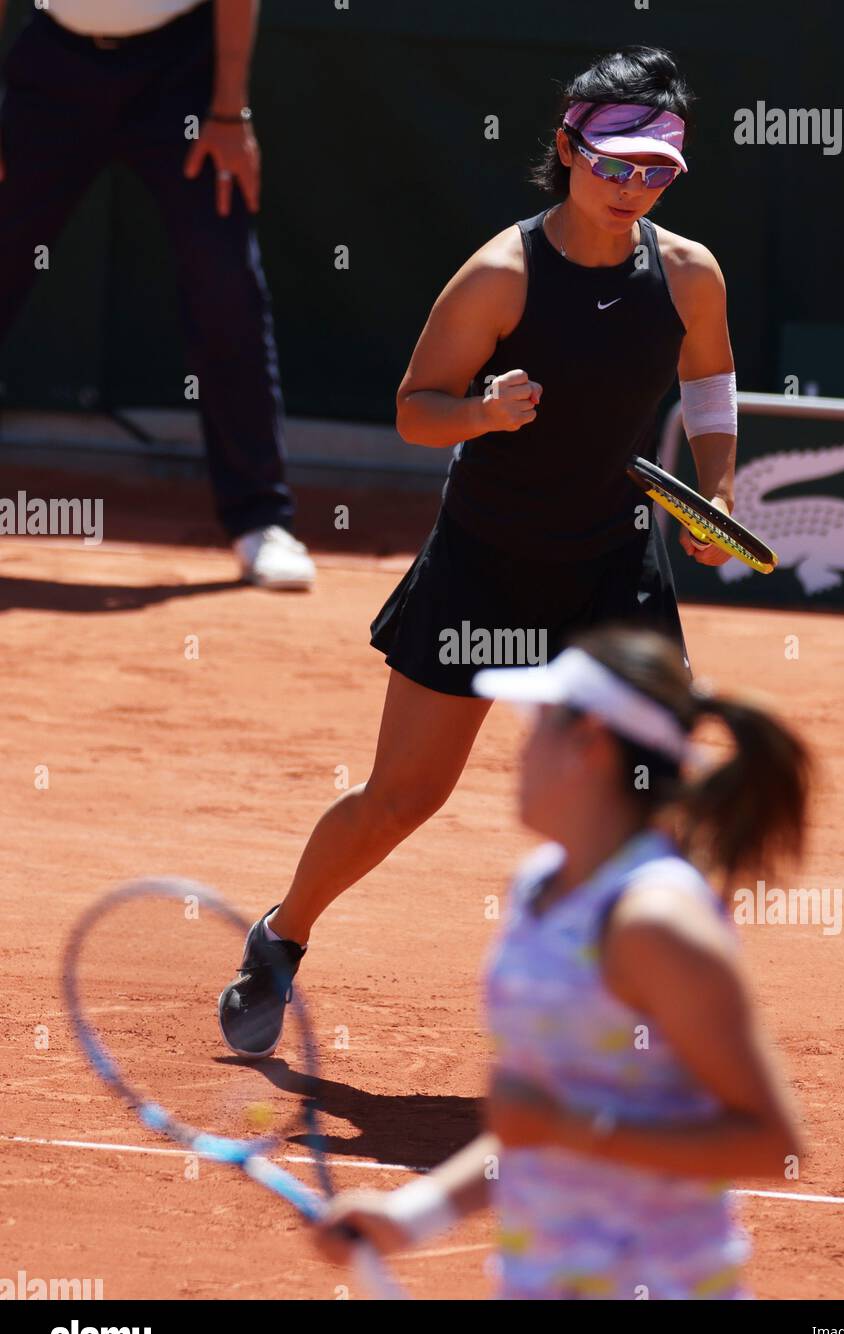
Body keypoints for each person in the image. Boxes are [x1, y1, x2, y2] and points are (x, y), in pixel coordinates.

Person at [218, 45, 740, 1055]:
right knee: (403, 797)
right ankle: (282, 935)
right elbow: (415, 413)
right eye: (614, 164)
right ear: (567, 149)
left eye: (656, 171)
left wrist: (714, 487)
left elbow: (711, 385)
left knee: (647, 796)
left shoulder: (688, 274)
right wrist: (485, 416)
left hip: (612, 571)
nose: (633, 188)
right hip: (487, 565)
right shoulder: (499, 278)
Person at [312, 625, 810, 1300]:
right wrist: (414, 1213)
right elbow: (535, 1127)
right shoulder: (536, 888)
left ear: (588, 745)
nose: (518, 753)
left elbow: (771, 1142)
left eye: (535, 728)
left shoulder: (656, 922)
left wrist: (573, 1130)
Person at [0, 0, 315, 588]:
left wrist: (227, 111)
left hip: (183, 75)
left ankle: (261, 519)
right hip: (52, 68)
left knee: (224, 279)